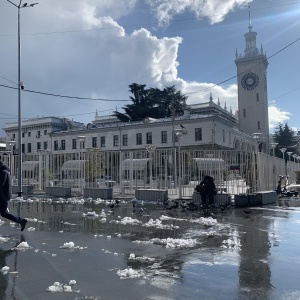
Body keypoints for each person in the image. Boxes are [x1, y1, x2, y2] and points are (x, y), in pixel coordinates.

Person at [0, 160, 27, 231]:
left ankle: (21, 221)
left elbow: (0, 184)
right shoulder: (3, 171)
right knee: (4, 213)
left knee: (4, 213)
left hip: (3, 196)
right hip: (3, 196)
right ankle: (21, 221)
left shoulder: (3, 172)